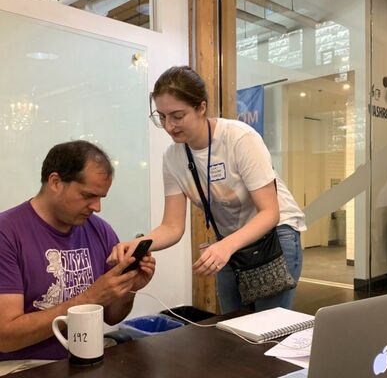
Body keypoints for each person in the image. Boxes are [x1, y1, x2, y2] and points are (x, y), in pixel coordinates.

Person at [108, 66, 305, 314]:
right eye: (162, 117)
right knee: (232, 326)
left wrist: (225, 246)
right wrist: (138, 245)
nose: (169, 126)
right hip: (231, 242)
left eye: (177, 116)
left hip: (275, 235)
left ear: (201, 107)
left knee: (268, 328)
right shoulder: (172, 158)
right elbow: (172, 226)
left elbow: (270, 212)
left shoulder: (239, 138)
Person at [0, 140, 155, 367]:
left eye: (101, 197)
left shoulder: (99, 229)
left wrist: (129, 287)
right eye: (88, 196)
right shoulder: (7, 233)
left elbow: (112, 316)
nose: (96, 207)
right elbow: (6, 336)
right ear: (55, 182)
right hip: (21, 366)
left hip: (84, 361)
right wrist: (90, 297)